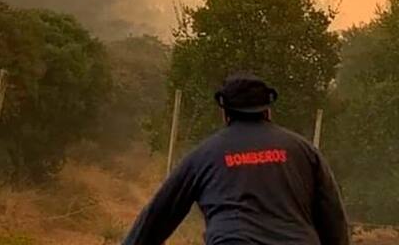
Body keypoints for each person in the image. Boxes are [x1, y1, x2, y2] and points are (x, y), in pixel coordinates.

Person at [121, 73, 350, 245]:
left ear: (225, 113)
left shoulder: (203, 155)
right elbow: (332, 217)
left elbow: (158, 216)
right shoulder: (305, 150)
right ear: (267, 110)